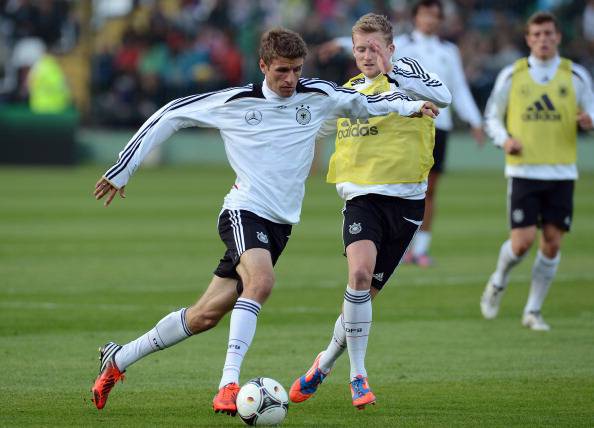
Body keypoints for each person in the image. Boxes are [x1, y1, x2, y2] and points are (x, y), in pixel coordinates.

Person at [90, 27, 440, 415]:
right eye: (281, 71)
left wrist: (411, 107)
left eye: (296, 70)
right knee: (261, 282)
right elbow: (170, 114)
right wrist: (122, 170)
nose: (290, 79)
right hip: (243, 211)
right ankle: (228, 384)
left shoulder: (318, 95)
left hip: (279, 226)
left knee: (205, 315)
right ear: (263, 66)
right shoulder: (235, 102)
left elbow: (366, 102)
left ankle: (118, 358)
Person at [288, 13, 451, 409]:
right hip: (361, 199)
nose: (366, 55)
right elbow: (313, 127)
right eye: (359, 48)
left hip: (407, 205)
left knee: (360, 302)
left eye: (374, 48)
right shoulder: (348, 92)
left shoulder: (410, 78)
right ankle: (358, 376)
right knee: (359, 276)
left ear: (391, 48)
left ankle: (324, 361)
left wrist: (395, 70)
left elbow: (444, 95)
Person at [319, 0, 483, 266]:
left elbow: (455, 89)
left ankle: (421, 248)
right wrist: (339, 44)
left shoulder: (446, 52)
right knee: (362, 272)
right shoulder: (400, 47)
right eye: (425, 14)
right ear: (416, 17)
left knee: (430, 190)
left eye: (434, 15)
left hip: (436, 123)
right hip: (388, 141)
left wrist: (474, 120)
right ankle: (409, 246)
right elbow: (365, 45)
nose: (429, 20)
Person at [480, 11, 594, 331]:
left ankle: (533, 310)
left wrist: (589, 121)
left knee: (552, 243)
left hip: (561, 172)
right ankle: (498, 280)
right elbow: (492, 116)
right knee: (522, 243)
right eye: (537, 34)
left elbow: (591, 109)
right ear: (528, 39)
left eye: (548, 33)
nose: (543, 39)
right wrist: (505, 140)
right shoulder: (512, 75)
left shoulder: (576, 75)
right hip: (524, 171)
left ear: (558, 37)